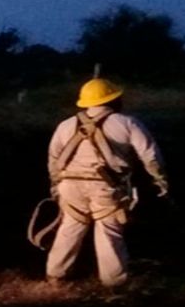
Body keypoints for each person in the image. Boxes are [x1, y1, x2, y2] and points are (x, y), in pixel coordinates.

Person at [46, 77, 169, 287]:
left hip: (69, 186)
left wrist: (56, 186)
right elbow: (151, 156)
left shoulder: (65, 125)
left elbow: (53, 160)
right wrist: (160, 180)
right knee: (108, 231)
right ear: (113, 100)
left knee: (70, 227)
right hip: (106, 187)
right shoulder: (127, 122)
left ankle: (56, 276)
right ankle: (114, 283)